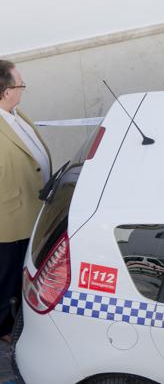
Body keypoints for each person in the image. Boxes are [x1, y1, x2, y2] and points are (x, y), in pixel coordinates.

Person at [0, 60, 50, 342]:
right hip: (9, 218)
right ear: (7, 91)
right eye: (20, 84)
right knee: (5, 275)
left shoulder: (16, 114)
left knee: (20, 272)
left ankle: (19, 316)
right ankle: (3, 327)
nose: (24, 88)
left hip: (30, 211)